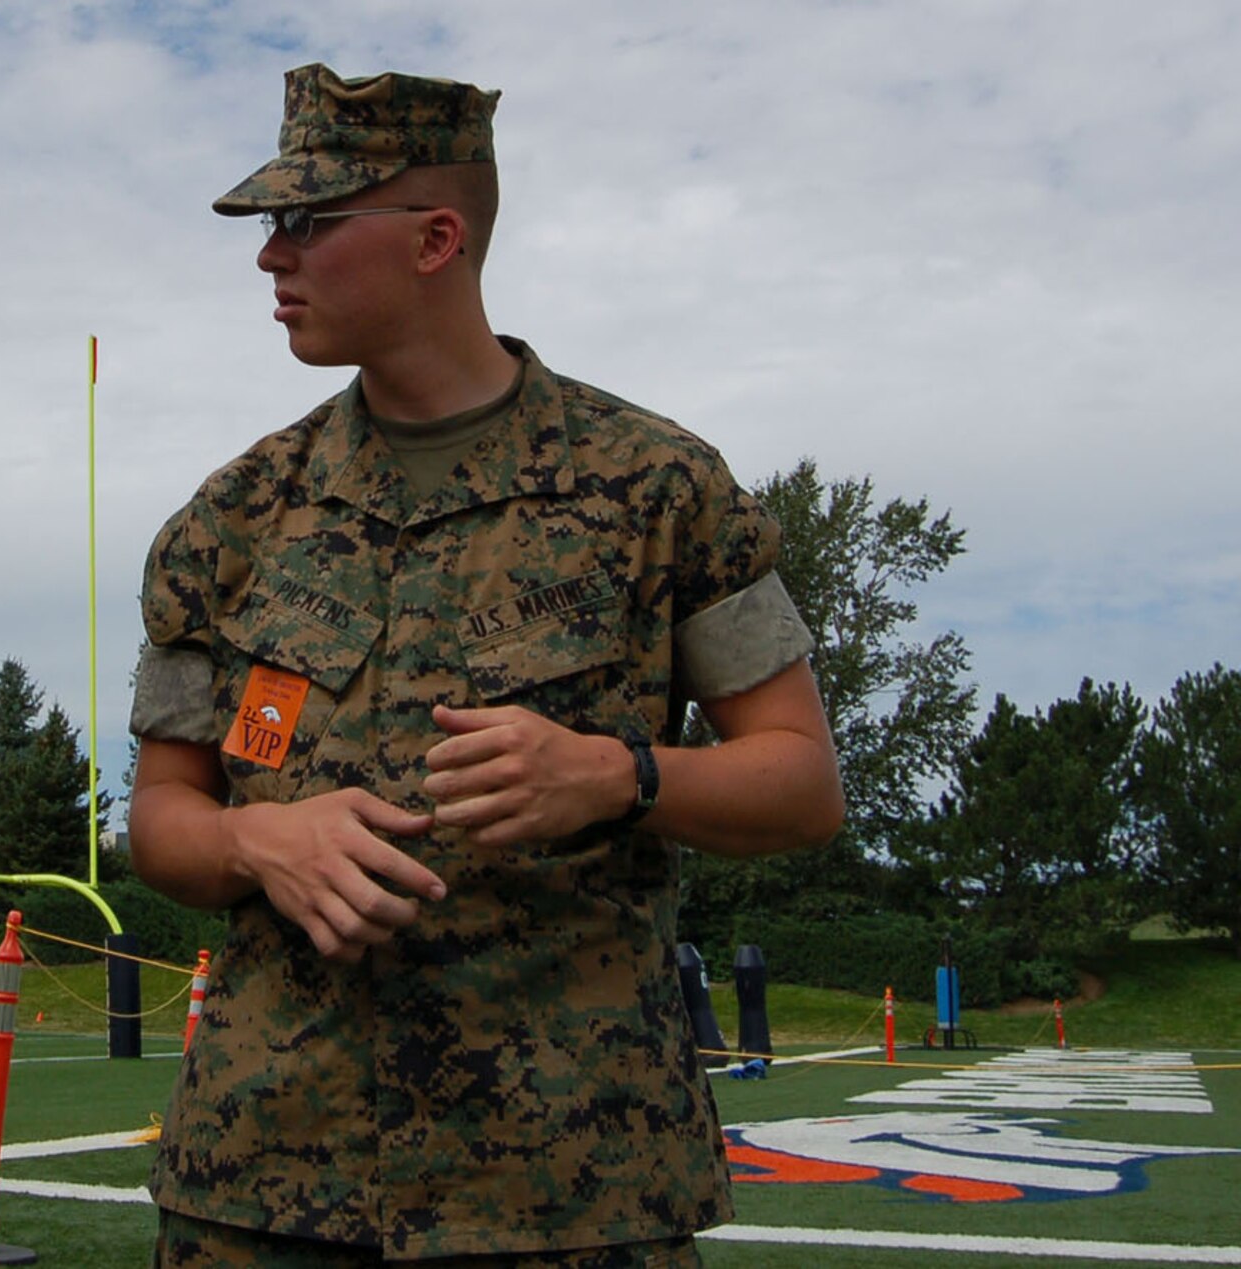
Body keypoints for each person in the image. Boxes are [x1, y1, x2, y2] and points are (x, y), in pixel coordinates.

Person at [128, 65, 844, 1267]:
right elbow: (162, 816)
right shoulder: (232, 520)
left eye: (305, 221)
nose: (270, 257)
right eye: (269, 226)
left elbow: (801, 783)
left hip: (569, 1187)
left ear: (434, 239)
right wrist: (257, 841)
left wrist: (620, 776)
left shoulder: (655, 489)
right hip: (262, 1185)